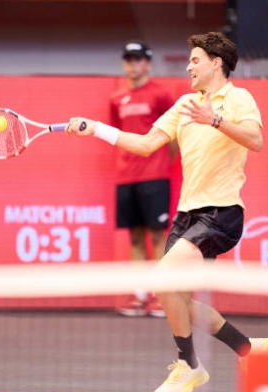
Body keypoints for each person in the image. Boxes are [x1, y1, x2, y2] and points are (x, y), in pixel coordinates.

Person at [65, 31, 268, 392]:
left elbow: (255, 141)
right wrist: (96, 129)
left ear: (216, 63)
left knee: (162, 279)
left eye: (196, 59)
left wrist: (215, 120)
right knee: (178, 298)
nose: (190, 65)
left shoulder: (240, 98)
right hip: (186, 215)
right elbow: (145, 145)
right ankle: (247, 348)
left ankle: (189, 366)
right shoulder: (183, 105)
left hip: (221, 212)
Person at [110, 41, 176, 318]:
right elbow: (118, 134)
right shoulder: (117, 99)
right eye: (128, 59)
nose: (132, 64)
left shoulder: (161, 96)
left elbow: (174, 136)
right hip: (126, 179)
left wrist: (159, 163)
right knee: (136, 238)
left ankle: (162, 298)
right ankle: (139, 297)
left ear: (148, 64)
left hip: (155, 178)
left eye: (138, 60)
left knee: (159, 237)